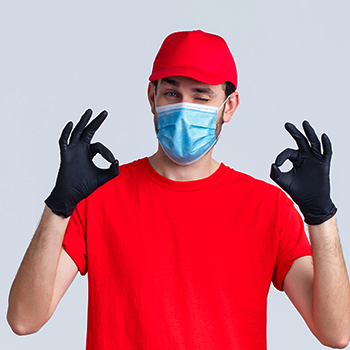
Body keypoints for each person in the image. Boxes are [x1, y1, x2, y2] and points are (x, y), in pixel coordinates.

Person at [6, 30, 350, 350]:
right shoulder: (98, 198)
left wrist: (322, 217)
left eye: (201, 96)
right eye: (172, 93)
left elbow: (336, 332)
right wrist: (59, 207)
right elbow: (24, 320)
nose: (184, 108)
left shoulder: (268, 207)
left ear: (228, 106)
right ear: (152, 98)